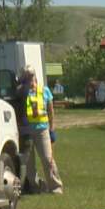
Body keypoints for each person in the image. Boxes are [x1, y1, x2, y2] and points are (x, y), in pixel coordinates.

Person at [16, 66, 64, 194]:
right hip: (25, 131)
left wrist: (52, 128)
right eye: (26, 77)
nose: (30, 79)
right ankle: (35, 186)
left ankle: (55, 187)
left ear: (35, 76)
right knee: (29, 164)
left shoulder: (44, 90)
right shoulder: (20, 92)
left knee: (47, 159)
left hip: (42, 129)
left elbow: (50, 110)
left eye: (31, 76)